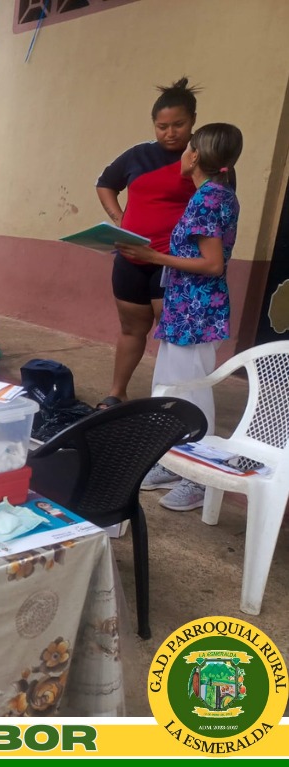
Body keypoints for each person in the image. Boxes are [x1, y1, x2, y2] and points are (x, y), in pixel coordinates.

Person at [116, 123, 243, 512]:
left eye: (188, 148)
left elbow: (212, 263)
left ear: (197, 155)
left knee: (191, 391)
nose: (182, 155)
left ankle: (200, 477)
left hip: (196, 311)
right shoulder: (214, 193)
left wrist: (154, 257)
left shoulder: (210, 198)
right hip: (184, 307)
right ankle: (174, 461)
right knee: (171, 388)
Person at [95, 78, 200, 409]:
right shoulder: (138, 155)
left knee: (171, 337)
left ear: (193, 121)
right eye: (162, 126)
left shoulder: (202, 158)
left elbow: (215, 202)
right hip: (129, 256)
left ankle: (171, 402)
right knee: (131, 329)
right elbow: (105, 183)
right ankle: (117, 392)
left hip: (171, 261)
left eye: (178, 125)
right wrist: (120, 218)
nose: (170, 133)